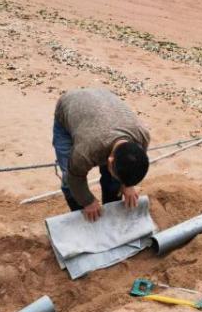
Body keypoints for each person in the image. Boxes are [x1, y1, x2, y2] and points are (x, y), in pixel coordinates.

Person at [52, 87, 150, 222]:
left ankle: (109, 212)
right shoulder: (85, 151)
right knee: (69, 182)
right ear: (109, 160)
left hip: (103, 101)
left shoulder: (141, 136)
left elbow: (132, 162)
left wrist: (128, 185)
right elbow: (74, 177)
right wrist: (87, 201)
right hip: (69, 108)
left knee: (115, 178)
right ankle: (84, 218)